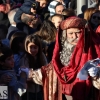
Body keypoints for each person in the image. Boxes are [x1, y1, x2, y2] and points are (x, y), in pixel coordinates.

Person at [27, 16, 100, 100]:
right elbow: (52, 70)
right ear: (65, 35)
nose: (74, 36)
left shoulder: (95, 51)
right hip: (64, 95)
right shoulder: (62, 52)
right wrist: (29, 74)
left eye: (78, 32)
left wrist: (97, 75)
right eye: (70, 33)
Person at [20, 34, 48, 100]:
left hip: (39, 89)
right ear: (26, 47)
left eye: (35, 47)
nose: (33, 50)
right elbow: (26, 75)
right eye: (30, 47)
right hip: (28, 91)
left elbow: (46, 69)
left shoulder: (41, 56)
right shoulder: (25, 58)